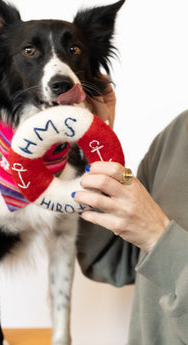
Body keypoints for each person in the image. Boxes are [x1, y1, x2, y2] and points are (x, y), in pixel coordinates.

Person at [73, 83, 188, 344]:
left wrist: (158, 235)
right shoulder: (176, 134)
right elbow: (116, 259)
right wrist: (94, 143)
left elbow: (152, 240)